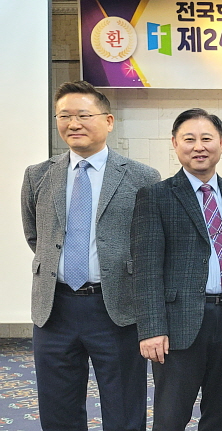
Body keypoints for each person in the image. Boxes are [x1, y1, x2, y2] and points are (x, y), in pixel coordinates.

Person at [21, 80, 160, 431]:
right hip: (54, 309)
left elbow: (149, 245)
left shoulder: (142, 177)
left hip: (116, 309)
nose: (73, 123)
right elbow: (36, 236)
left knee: (124, 408)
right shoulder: (38, 175)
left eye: (83, 115)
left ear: (108, 121)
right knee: (58, 410)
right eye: (64, 116)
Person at [131, 109, 222, 430]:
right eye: (189, 139)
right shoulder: (156, 196)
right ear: (175, 144)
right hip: (177, 324)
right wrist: (152, 328)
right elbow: (146, 268)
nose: (199, 146)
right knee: (171, 415)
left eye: (207, 138)